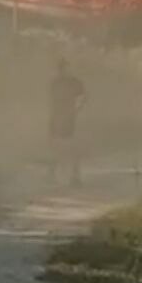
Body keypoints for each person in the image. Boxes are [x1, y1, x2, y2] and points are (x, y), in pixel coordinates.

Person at [48, 59, 86, 187]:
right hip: (57, 116)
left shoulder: (74, 82)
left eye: (66, 68)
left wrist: (77, 108)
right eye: (62, 69)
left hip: (70, 117)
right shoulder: (55, 83)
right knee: (55, 145)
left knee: (72, 146)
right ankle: (52, 173)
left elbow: (82, 96)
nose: (64, 71)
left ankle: (75, 175)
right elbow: (52, 100)